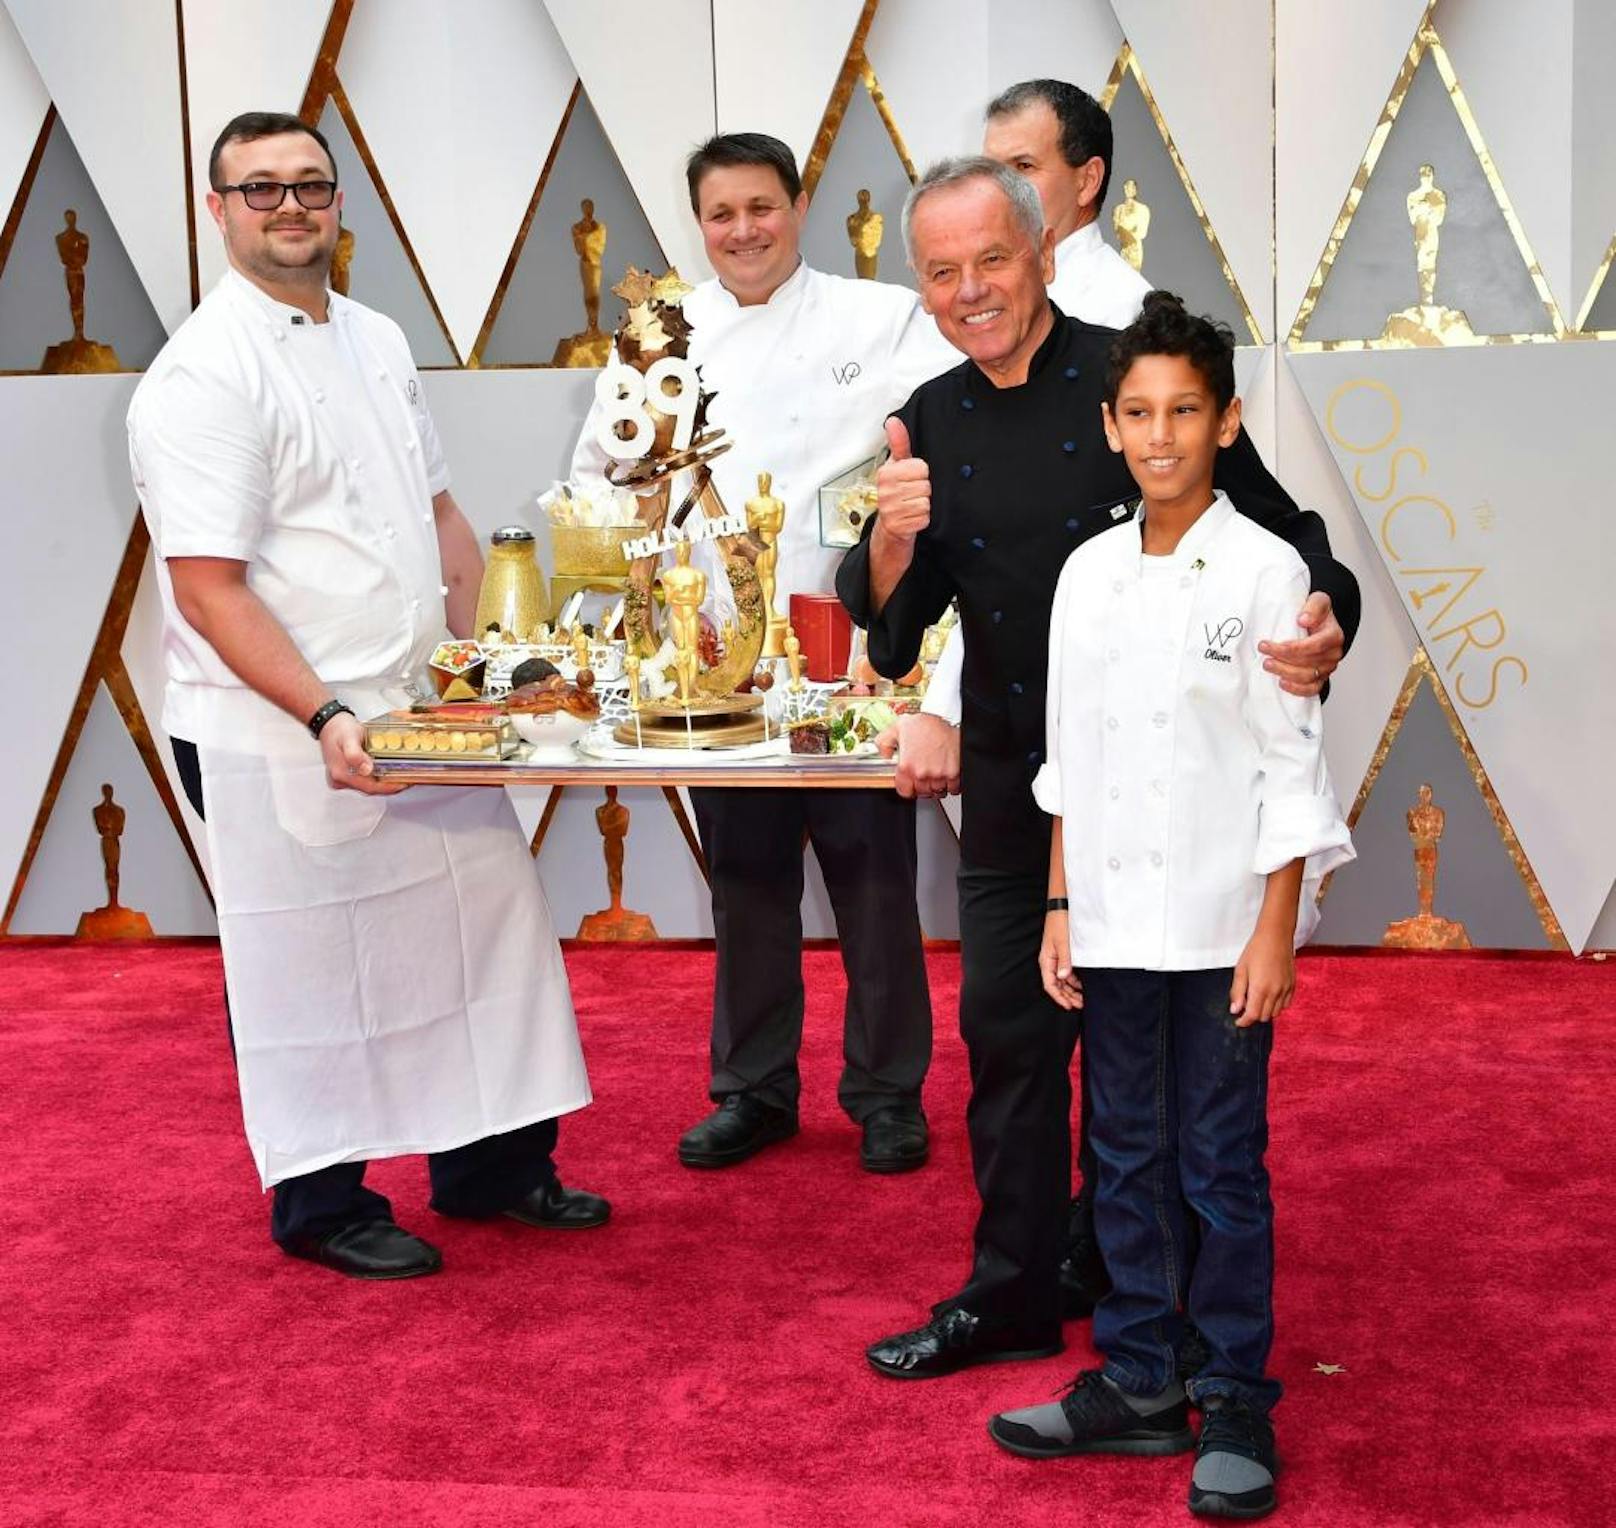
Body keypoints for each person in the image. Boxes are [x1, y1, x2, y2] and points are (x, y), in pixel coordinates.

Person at [837, 158, 1360, 1378]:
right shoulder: (930, 415)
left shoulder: (1130, 383)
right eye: (942, 272)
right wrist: (892, 535)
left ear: (1043, 254)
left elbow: (1290, 543)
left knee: (1157, 1082)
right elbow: (892, 632)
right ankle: (1010, 1290)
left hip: (1172, 804)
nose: (970, 290)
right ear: (920, 287)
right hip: (1032, 793)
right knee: (1010, 1044)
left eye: (992, 260)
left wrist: (1324, 616)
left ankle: (1143, 1295)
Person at [129, 111, 605, 1281]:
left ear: (339, 204)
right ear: (217, 210)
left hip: (416, 707)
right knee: (312, 962)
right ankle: (324, 1203)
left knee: (479, 926)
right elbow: (207, 588)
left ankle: (493, 1167)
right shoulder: (200, 374)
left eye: (310, 186)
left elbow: (437, 515)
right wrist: (324, 716)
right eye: (261, 190)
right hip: (282, 729)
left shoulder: (378, 336)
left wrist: (490, 657)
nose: (289, 207)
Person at [986, 292, 1354, 1520]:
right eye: (1136, 412)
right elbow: (1065, 760)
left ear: (1226, 420)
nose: (1159, 435)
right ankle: (1141, 1375)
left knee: (1217, 1164)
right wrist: (1054, 904)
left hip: (1218, 928)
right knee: (1121, 1153)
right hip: (1105, 921)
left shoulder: (1264, 570)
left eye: (1183, 411)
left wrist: (1271, 929)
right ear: (1108, 425)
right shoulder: (1084, 575)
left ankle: (1234, 1388)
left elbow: (1286, 761)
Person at [570, 133, 959, 1174]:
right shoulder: (658, 339)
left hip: (846, 650)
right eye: (720, 214)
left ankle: (886, 1094)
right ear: (696, 224)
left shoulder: (881, 320)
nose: (742, 230)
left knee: (872, 878)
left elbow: (924, 455)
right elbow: (607, 478)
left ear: (797, 205)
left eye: (760, 206)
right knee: (743, 880)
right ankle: (752, 1089)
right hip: (713, 660)